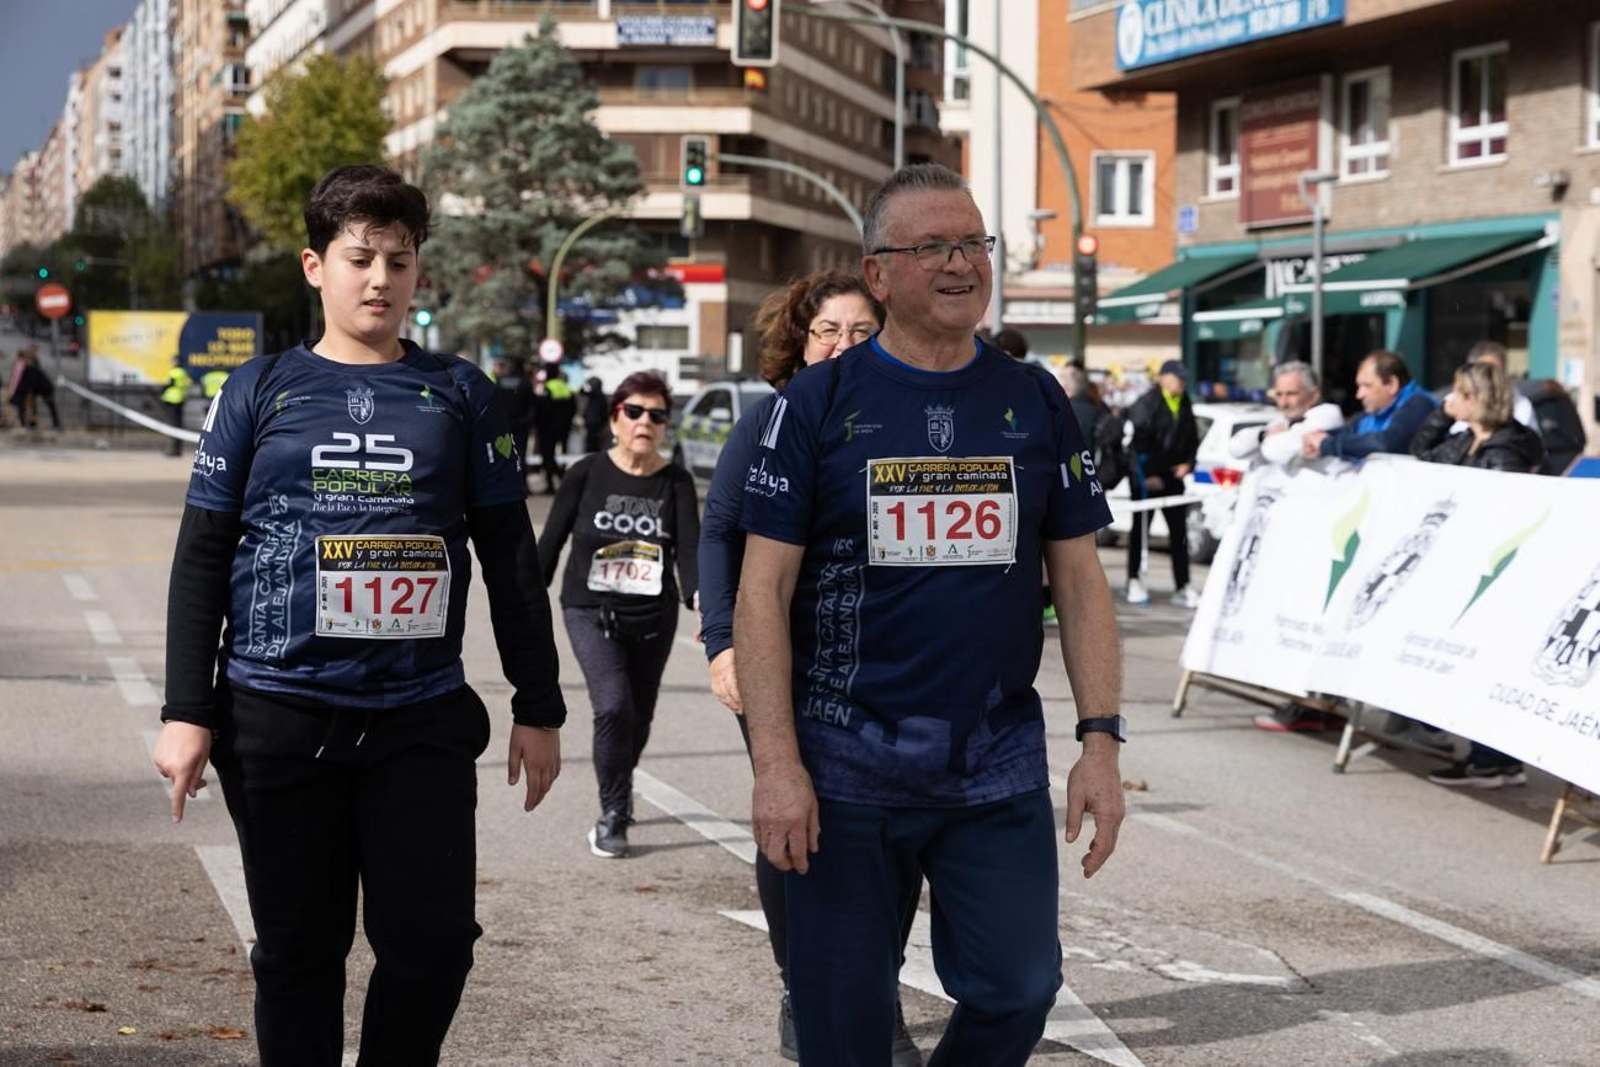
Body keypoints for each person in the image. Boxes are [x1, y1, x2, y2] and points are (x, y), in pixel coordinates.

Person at [150, 164, 566, 1067]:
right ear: (316, 266)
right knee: (298, 954)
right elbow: (203, 552)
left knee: (434, 945)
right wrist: (187, 710)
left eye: (399, 262)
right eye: (360, 258)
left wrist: (539, 703)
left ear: (418, 272)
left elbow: (510, 558)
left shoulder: (461, 392)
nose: (380, 280)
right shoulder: (258, 389)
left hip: (418, 718)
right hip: (277, 716)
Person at [735, 163, 1125, 1067]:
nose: (961, 262)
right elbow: (762, 594)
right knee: (843, 1031)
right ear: (878, 273)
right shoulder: (817, 403)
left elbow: (1079, 580)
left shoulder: (1034, 399)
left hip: (993, 761)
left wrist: (1100, 742)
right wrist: (777, 765)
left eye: (974, 242)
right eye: (934, 246)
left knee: (1019, 987)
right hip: (845, 765)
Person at [699, 270, 921, 1065]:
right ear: (801, 342)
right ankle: (802, 983)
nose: (844, 345)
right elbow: (720, 531)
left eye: (863, 331)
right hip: (777, 658)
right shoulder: (768, 420)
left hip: (877, 662)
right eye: (828, 330)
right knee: (791, 812)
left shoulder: (905, 418)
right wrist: (722, 641)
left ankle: (877, 990)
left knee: (892, 830)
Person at [538, 372, 699, 859]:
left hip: (653, 616)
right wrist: (523, 598)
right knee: (612, 706)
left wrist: (700, 599)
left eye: (657, 415)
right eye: (634, 411)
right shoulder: (586, 472)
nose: (645, 422)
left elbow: (689, 553)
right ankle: (613, 812)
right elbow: (551, 541)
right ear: (614, 419)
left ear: (665, 426)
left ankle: (619, 783)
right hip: (590, 608)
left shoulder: (676, 482)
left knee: (639, 716)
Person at [1408, 360, 1544, 788]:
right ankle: (1495, 759)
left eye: (1460, 393)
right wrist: (1440, 416)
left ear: (1477, 398)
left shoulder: (1506, 449)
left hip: (1490, 573)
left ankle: (1490, 760)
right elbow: (1422, 455)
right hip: (1463, 567)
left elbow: (1498, 515)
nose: (1452, 399)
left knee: (1484, 664)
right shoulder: (1468, 438)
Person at [1125, 359, 1200, 606]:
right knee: (1140, 533)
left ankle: (1182, 585)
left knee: (1179, 535)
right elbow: (1137, 445)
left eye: (1183, 378)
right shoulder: (1147, 403)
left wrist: (1188, 464)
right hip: (1146, 479)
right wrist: (1147, 476)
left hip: (1172, 479)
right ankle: (1134, 580)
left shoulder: (1184, 402)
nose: (1181, 382)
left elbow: (1192, 438)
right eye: (1177, 377)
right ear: (1163, 378)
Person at [1301, 349, 1436, 461]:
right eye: (1359, 386)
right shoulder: (1375, 412)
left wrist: (1327, 444)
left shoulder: (1420, 405)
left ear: (1391, 384)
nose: (1359, 395)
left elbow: (1388, 443)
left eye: (1367, 386)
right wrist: (1319, 437)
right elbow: (1349, 432)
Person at [1228, 360, 1344, 468]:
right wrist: (1263, 435)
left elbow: (1274, 450)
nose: (1283, 403)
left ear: (1314, 395)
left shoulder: (1327, 415)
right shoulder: (1282, 421)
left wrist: (1270, 437)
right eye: (1279, 395)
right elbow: (1235, 448)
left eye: (1291, 394)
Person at [1447, 340, 1536, 434]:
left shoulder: (1521, 407)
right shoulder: (1454, 402)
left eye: (1496, 373)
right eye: (1485, 374)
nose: (1491, 381)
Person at [491, 353, 535, 491]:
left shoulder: (500, 382)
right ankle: (522, 484)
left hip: (503, 424)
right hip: (521, 424)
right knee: (521, 454)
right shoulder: (525, 383)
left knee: (504, 454)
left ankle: (506, 484)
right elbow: (532, 406)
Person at [531, 367, 576, 494]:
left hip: (548, 429)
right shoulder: (566, 388)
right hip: (564, 428)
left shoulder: (547, 388)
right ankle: (563, 479)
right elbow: (573, 408)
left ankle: (552, 484)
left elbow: (542, 409)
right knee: (560, 456)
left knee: (547, 456)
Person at [161, 353, 193, 457]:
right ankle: (177, 449)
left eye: (172, 360)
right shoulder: (184, 372)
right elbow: (188, 384)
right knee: (178, 425)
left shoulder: (174, 372)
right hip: (180, 399)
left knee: (172, 426)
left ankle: (172, 450)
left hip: (172, 399)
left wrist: (162, 392)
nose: (170, 362)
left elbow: (168, 384)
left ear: (176, 362)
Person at [580, 375, 609, 454]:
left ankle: (589, 452)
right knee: (595, 439)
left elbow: (581, 391)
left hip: (591, 420)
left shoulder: (593, 394)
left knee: (590, 439)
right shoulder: (601, 396)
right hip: (597, 421)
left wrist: (585, 383)